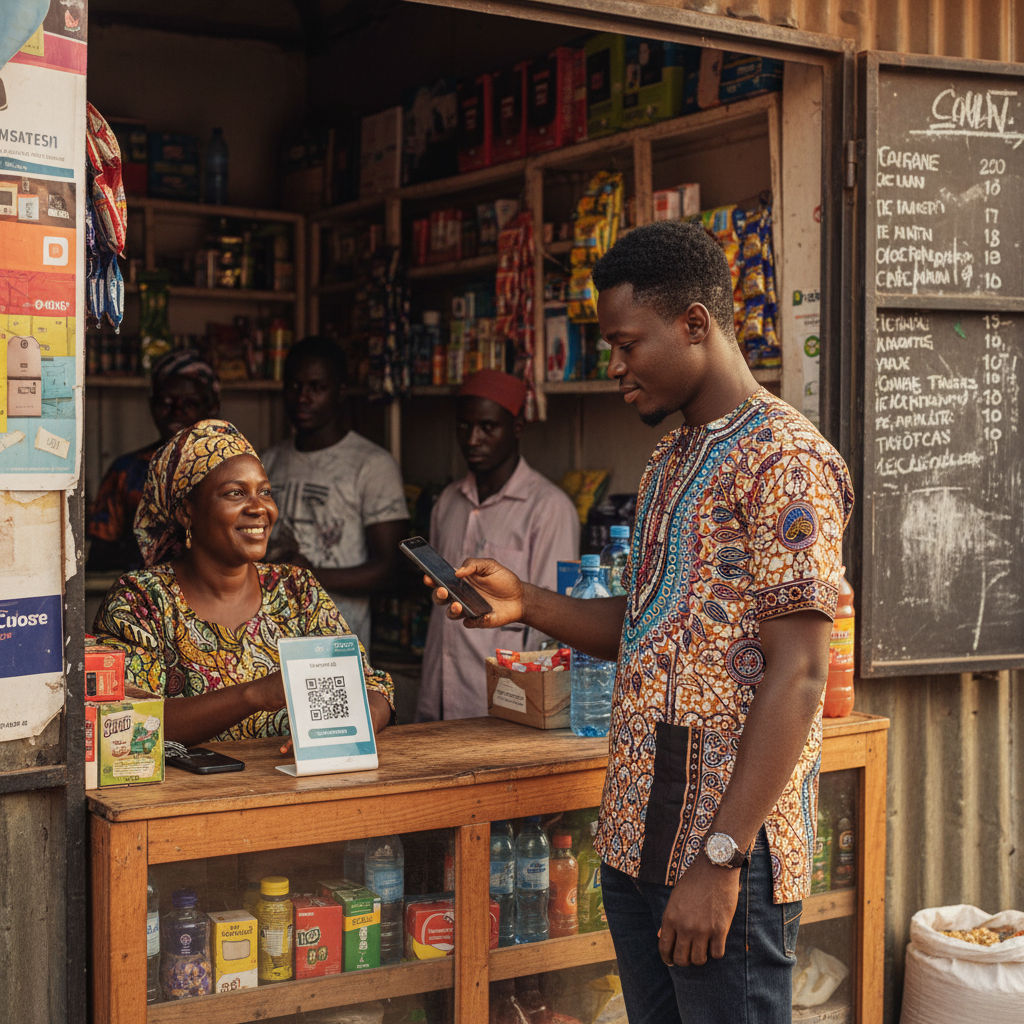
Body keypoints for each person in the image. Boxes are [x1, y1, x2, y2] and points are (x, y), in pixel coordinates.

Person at [426, 222, 854, 1024]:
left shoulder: (786, 461)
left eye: (627, 345)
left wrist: (720, 860)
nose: (616, 369)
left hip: (726, 847)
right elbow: (659, 620)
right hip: (635, 831)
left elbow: (798, 674)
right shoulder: (670, 457)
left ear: (695, 324)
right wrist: (528, 602)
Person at [92, 419, 395, 746]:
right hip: (187, 796)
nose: (259, 508)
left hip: (293, 789)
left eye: (265, 492)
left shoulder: (295, 589)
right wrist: (254, 695)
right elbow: (126, 722)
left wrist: (353, 728)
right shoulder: (142, 601)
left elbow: (373, 688)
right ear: (186, 512)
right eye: (235, 493)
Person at [416, 369, 579, 722]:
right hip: (439, 696)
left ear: (516, 428)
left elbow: (550, 623)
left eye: (488, 427)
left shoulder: (549, 508)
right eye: (464, 426)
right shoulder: (448, 501)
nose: (473, 439)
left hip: (505, 703)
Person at [262, 336, 409, 650]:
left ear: (340, 391)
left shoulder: (371, 465)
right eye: (295, 386)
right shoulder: (268, 461)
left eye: (317, 387)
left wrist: (307, 575)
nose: (303, 398)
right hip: (269, 635)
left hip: (336, 642)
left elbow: (390, 569)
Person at [87, 350, 220, 571]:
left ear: (212, 407)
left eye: (189, 403)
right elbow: (101, 556)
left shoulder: (227, 470)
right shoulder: (126, 471)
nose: (176, 411)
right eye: (165, 402)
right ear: (151, 404)